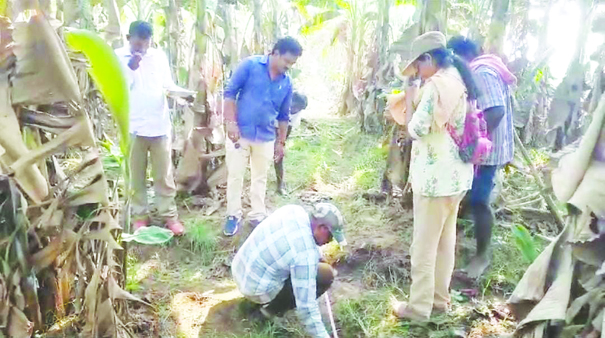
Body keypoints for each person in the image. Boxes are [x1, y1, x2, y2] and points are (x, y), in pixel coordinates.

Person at [391, 31, 479, 321]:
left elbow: (416, 128)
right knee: (444, 242)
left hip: (434, 179)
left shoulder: (436, 87)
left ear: (428, 58)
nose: (417, 72)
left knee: (424, 247)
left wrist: (410, 99)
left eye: (418, 65)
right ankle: (440, 301)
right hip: (457, 178)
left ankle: (417, 309)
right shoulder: (460, 79)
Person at [115, 21, 194, 235]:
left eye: (146, 42)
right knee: (135, 175)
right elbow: (117, 89)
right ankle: (140, 216)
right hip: (132, 127)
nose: (142, 46)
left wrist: (184, 95)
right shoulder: (117, 57)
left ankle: (169, 216)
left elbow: (167, 86)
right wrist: (131, 68)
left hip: (159, 126)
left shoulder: (158, 57)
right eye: (138, 41)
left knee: (164, 176)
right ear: (129, 37)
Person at [447, 36, 516, 278]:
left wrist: (475, 142)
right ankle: (456, 243)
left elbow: (496, 111)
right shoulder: (483, 68)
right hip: (488, 147)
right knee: (469, 195)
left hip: (487, 151)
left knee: (479, 200)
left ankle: (482, 256)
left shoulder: (481, 72)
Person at [222, 37, 303, 236]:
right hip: (240, 133)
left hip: (266, 136)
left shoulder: (287, 83)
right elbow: (230, 93)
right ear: (275, 53)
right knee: (235, 175)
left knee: (260, 177)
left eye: (292, 64)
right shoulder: (250, 66)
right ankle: (233, 215)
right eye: (286, 61)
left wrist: (281, 142)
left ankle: (257, 215)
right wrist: (230, 123)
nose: (288, 67)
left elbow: (284, 116)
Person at [231, 203, 346, 338]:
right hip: (255, 290)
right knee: (325, 275)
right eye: (331, 237)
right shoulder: (305, 254)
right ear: (322, 228)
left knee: (310, 267)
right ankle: (267, 312)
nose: (330, 241)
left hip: (240, 270)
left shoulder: (293, 211)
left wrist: (318, 255)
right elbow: (306, 308)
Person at [274, 91, 308, 195]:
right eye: (294, 107)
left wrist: (281, 144)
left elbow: (288, 128)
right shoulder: (278, 104)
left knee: (279, 158)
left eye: (298, 109)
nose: (295, 110)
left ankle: (280, 186)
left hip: (282, 131)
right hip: (268, 126)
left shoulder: (297, 114)